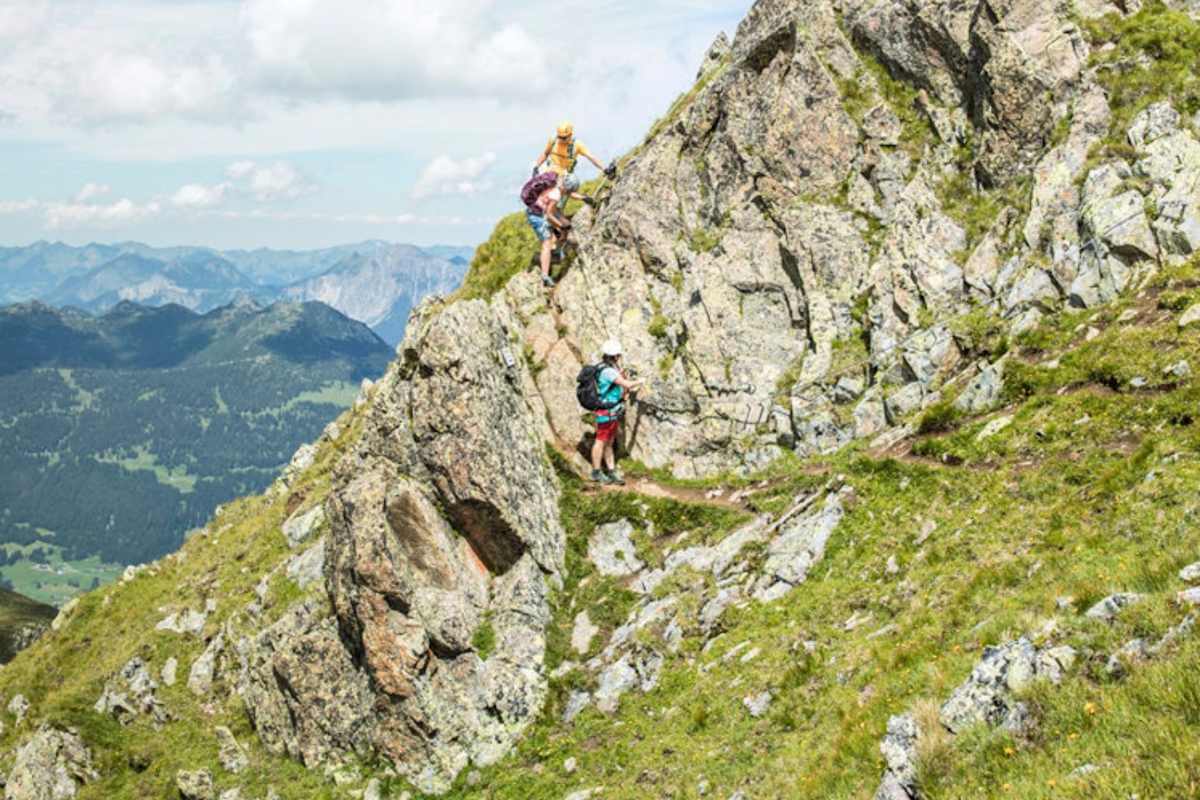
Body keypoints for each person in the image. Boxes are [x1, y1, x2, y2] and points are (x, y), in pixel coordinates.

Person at [591, 339, 644, 484]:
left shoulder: (605, 367)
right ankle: (596, 472)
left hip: (611, 411)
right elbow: (626, 384)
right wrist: (640, 380)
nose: (619, 357)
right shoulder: (608, 371)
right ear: (614, 356)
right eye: (618, 355)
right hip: (605, 412)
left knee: (608, 441)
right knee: (601, 441)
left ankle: (611, 470)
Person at [527, 172, 584, 288]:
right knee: (546, 243)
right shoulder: (557, 193)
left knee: (561, 229)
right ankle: (545, 276)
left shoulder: (557, 187)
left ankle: (555, 254)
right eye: (570, 191)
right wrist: (561, 226)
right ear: (568, 189)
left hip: (538, 213)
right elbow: (548, 214)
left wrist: (562, 225)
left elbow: (552, 212)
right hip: (537, 216)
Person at [533, 121, 616, 179]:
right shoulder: (553, 140)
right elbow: (545, 154)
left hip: (564, 176)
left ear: (570, 135)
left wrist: (604, 169)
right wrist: (536, 167)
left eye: (564, 137)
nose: (561, 139)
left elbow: (591, 157)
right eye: (559, 137)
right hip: (550, 172)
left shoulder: (577, 145)